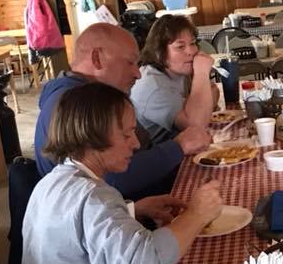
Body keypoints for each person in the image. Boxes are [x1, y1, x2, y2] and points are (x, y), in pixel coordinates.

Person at [22, 82, 223, 264]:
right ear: (93, 136)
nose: (136, 143)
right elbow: (145, 261)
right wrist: (197, 215)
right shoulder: (93, 197)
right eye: (126, 133)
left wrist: (132, 210)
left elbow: (77, 230)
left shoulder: (55, 180)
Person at [34, 23, 211, 200]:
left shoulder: (92, 95)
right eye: (130, 63)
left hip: (139, 202)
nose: (138, 74)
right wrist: (178, 147)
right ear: (97, 58)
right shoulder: (74, 104)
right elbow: (114, 178)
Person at [130, 15, 218, 142]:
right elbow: (196, 127)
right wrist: (201, 74)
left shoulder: (177, 69)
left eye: (193, 43)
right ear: (159, 52)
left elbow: (213, 92)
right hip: (159, 157)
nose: (191, 51)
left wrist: (198, 105)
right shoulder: (154, 86)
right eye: (180, 47)